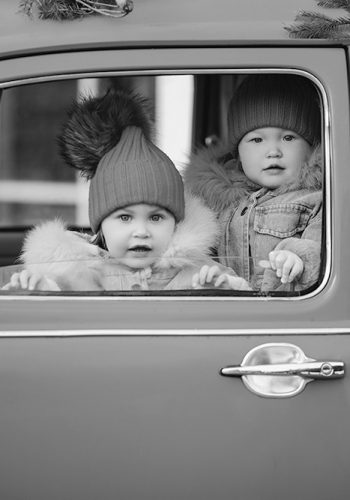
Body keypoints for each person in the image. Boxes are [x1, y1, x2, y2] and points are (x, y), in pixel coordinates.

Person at [2, 89, 250, 292]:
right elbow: (59, 307)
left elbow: (241, 299)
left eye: (156, 217)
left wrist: (219, 289)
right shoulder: (78, 273)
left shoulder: (196, 270)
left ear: (176, 223)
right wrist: (41, 288)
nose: (141, 232)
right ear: (100, 226)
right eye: (124, 217)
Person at [184, 74, 322, 292]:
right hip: (228, 315)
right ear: (238, 150)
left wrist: (297, 256)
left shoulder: (318, 199)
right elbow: (195, 252)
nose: (273, 152)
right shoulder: (215, 202)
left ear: (311, 144)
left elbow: (322, 248)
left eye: (288, 138)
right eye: (257, 140)